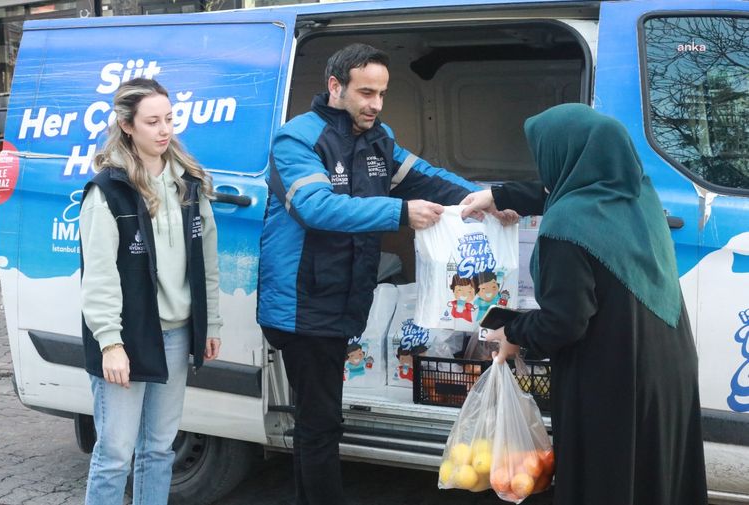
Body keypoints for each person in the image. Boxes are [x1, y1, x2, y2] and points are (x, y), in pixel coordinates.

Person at [257, 43, 479, 505]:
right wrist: (400, 212)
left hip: (343, 301)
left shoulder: (379, 137)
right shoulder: (297, 139)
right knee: (319, 423)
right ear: (335, 87)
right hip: (304, 305)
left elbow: (427, 178)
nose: (375, 104)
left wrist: (489, 198)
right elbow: (314, 207)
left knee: (318, 420)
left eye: (381, 93)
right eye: (365, 93)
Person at [462, 103, 708, 505]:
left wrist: (512, 332)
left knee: (608, 484)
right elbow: (567, 191)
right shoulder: (637, 199)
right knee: (653, 482)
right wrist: (500, 195)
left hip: (613, 380)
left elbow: (563, 324)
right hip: (668, 373)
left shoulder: (565, 229)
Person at [79, 78, 223, 505]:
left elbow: (207, 262)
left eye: (169, 119)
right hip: (128, 338)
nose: (164, 130)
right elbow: (99, 275)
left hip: (177, 334)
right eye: (152, 122)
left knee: (159, 449)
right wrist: (110, 343)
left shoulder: (189, 184)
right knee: (114, 453)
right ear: (127, 125)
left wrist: (210, 321)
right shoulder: (108, 191)